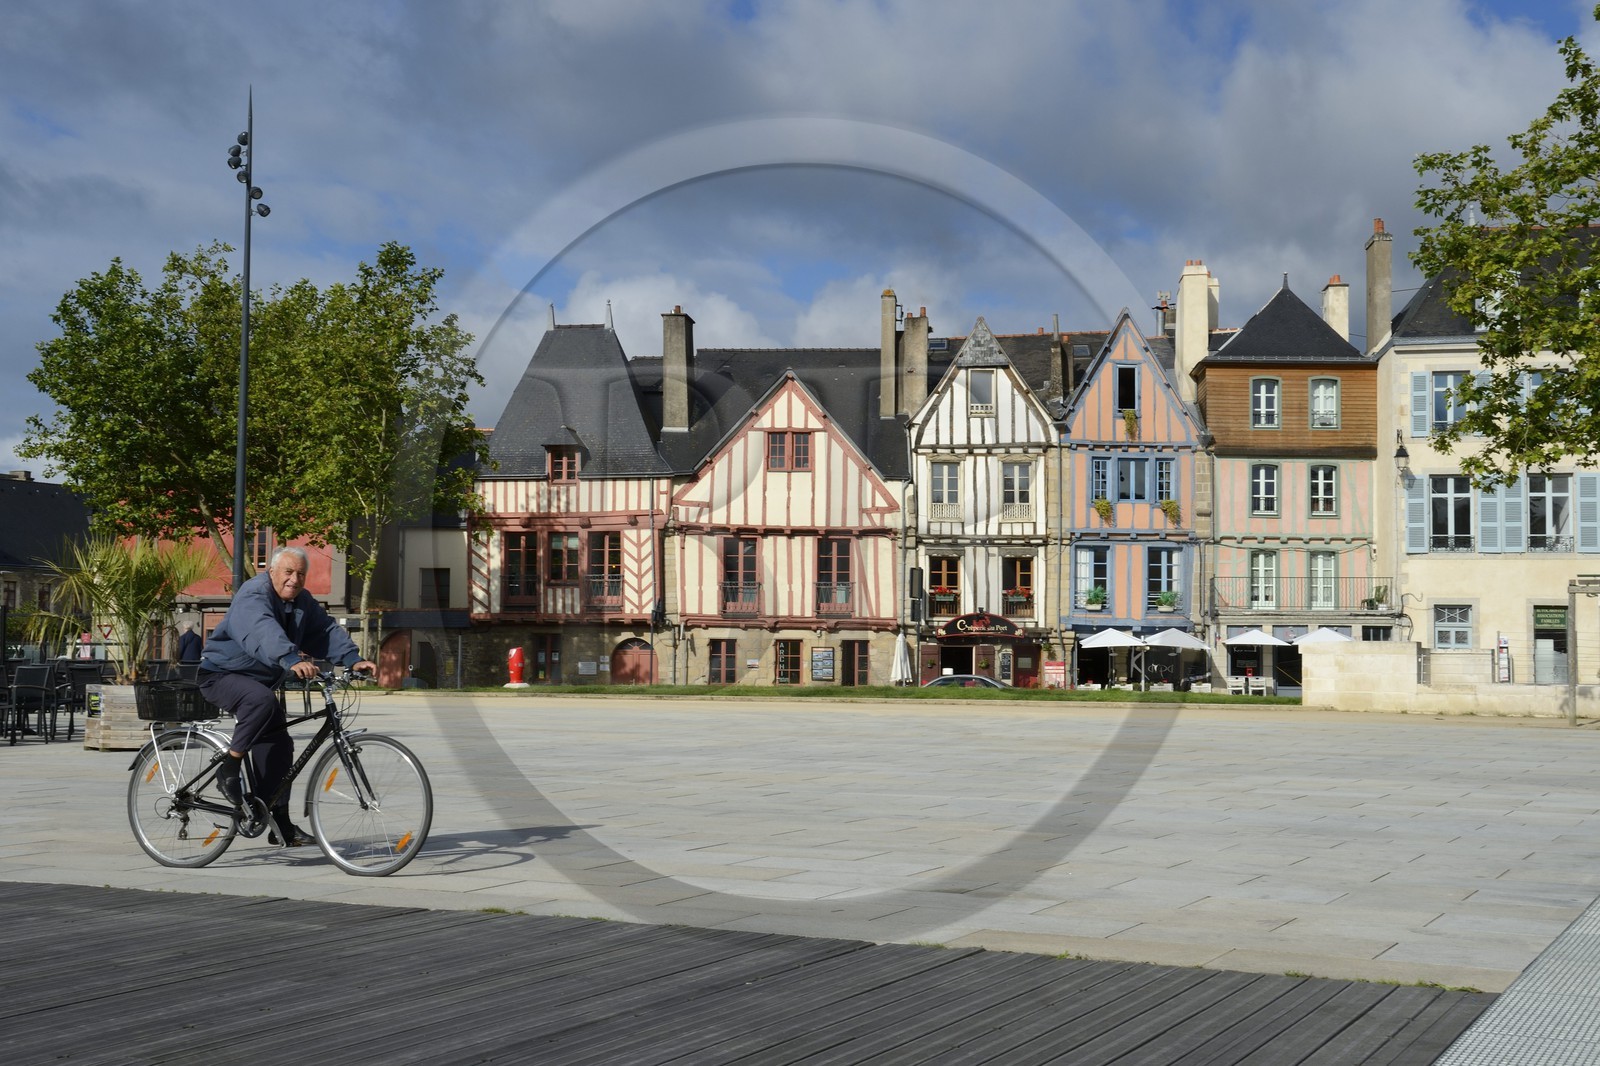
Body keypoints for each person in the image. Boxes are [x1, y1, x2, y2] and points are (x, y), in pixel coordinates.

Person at [197, 546, 375, 847]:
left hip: (260, 682)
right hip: (221, 675)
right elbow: (261, 630)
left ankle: (280, 824)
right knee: (261, 702)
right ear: (272, 572)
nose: (294, 579)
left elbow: (324, 630)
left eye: (301, 574)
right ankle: (229, 767)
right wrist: (290, 658)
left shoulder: (300, 602)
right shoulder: (253, 595)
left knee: (280, 745)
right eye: (288, 572)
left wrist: (353, 659)